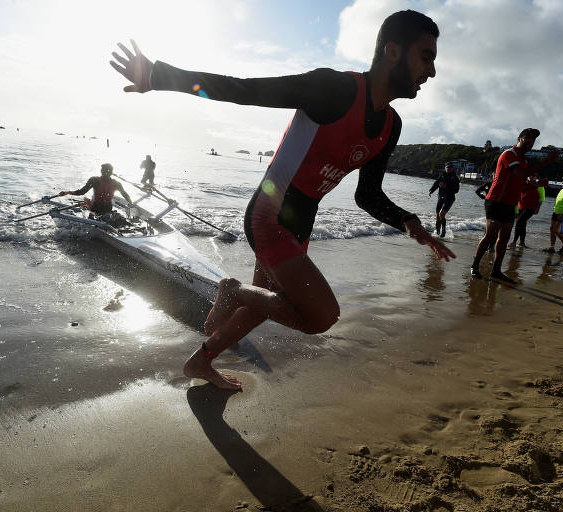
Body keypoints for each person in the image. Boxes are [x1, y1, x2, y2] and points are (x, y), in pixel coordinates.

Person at [110, 11, 454, 390]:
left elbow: (366, 194)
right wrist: (158, 76)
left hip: (301, 221)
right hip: (269, 215)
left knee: (261, 306)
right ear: (392, 51)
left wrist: (409, 222)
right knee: (320, 317)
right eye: (426, 57)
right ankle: (232, 290)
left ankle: (201, 361)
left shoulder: (391, 125)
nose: (432, 71)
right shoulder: (335, 89)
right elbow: (245, 90)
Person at [470, 129, 558, 283]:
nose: (530, 142)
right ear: (519, 138)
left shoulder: (523, 160)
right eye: (527, 138)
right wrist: (546, 162)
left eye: (533, 140)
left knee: (504, 238)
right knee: (490, 235)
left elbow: (521, 186)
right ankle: (475, 265)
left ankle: (496, 270)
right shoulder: (509, 154)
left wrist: (537, 185)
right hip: (496, 200)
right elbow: (521, 173)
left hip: (510, 204)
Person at [59, 163, 132, 215]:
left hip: (97, 208)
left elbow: (82, 192)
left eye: (103, 170)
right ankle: (87, 203)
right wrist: (130, 203)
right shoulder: (116, 183)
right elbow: (125, 194)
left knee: (89, 202)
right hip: (105, 208)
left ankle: (87, 203)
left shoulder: (94, 180)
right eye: (102, 170)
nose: (103, 172)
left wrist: (67, 192)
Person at [509, 176, 547, 248]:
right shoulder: (523, 184)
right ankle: (522, 243)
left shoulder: (539, 186)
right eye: (530, 176)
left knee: (519, 222)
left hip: (531, 208)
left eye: (533, 176)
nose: (531, 177)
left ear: (536, 177)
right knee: (522, 224)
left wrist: (538, 208)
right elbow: (517, 196)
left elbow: (541, 198)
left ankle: (514, 242)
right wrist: (516, 210)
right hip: (521, 206)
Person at [428, 162, 460, 237]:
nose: (448, 169)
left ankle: (444, 230)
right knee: (437, 214)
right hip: (441, 197)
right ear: (445, 168)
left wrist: (447, 186)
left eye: (450, 168)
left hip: (450, 198)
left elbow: (456, 190)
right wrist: (431, 190)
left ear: (452, 169)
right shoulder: (442, 175)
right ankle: (438, 231)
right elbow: (436, 183)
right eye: (447, 167)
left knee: (441, 214)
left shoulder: (455, 178)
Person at [545, 175, 563, 254]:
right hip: (555, 212)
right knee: (552, 229)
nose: (562, 182)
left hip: (562, 214)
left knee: (556, 230)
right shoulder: (562, 190)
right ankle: (552, 247)